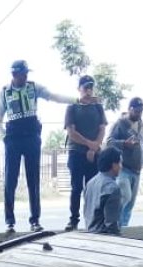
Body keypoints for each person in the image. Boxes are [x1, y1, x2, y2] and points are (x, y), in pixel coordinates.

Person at [0, 60, 76, 233]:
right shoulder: (5, 92)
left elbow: (54, 96)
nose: (25, 77)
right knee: (11, 179)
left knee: (33, 180)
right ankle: (10, 221)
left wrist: (76, 99)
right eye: (23, 74)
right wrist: (4, 137)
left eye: (26, 74)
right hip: (13, 138)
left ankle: (35, 220)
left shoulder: (33, 87)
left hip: (31, 136)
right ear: (14, 75)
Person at [63, 76, 107, 231]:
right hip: (76, 152)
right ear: (79, 89)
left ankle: (92, 220)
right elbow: (71, 132)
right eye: (85, 88)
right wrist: (90, 145)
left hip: (94, 154)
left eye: (90, 88)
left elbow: (102, 128)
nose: (88, 91)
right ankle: (73, 220)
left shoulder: (98, 107)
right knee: (76, 188)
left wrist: (94, 148)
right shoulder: (72, 107)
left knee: (92, 188)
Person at [106, 97, 143, 227]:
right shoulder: (120, 124)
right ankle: (113, 224)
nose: (139, 114)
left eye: (141, 111)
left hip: (137, 171)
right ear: (130, 109)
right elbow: (109, 142)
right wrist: (124, 144)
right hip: (123, 169)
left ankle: (124, 228)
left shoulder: (141, 124)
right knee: (125, 196)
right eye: (137, 111)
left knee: (130, 203)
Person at [83, 147, 124, 235]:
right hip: (104, 238)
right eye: (120, 163)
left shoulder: (90, 183)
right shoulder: (113, 189)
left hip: (89, 234)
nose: (121, 167)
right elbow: (111, 224)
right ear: (113, 165)